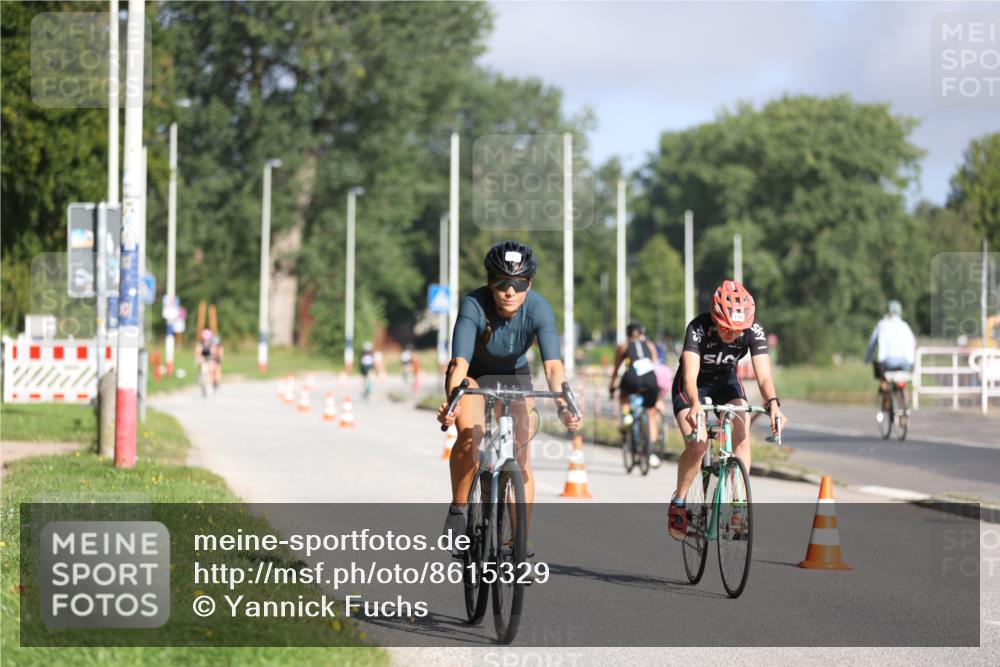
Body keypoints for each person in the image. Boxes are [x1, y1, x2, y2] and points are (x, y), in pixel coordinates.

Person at [436, 240, 582, 543]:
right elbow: (459, 363)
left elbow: (554, 368)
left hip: (515, 376)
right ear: (490, 282)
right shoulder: (473, 305)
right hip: (473, 376)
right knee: (469, 437)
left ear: (528, 284)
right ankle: (459, 509)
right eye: (502, 282)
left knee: (522, 457)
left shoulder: (539, 308)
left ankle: (519, 541)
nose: (510, 291)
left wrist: (563, 406)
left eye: (519, 283)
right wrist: (453, 403)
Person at [668, 280, 787, 541]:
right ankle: (679, 502)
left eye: (738, 331)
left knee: (742, 437)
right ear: (714, 317)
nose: (733, 334)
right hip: (692, 386)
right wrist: (695, 405)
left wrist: (774, 405)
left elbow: (764, 377)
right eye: (726, 328)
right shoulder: (698, 328)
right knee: (697, 445)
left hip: (725, 382)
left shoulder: (753, 330)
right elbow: (690, 376)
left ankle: (738, 507)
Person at [609, 322, 661, 462]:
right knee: (651, 414)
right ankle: (651, 451)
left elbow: (616, 369)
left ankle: (626, 415)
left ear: (627, 334)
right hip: (650, 380)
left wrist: (612, 387)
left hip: (631, 378)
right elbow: (655, 364)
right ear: (642, 333)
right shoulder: (650, 345)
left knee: (623, 395)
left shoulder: (624, 346)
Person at [865, 300, 916, 392]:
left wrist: (867, 359)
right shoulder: (905, 325)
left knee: (881, 372)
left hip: (887, 362)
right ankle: (904, 399)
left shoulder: (882, 324)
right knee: (903, 384)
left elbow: (872, 343)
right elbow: (913, 342)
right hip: (905, 363)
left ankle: (884, 387)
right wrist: (912, 362)